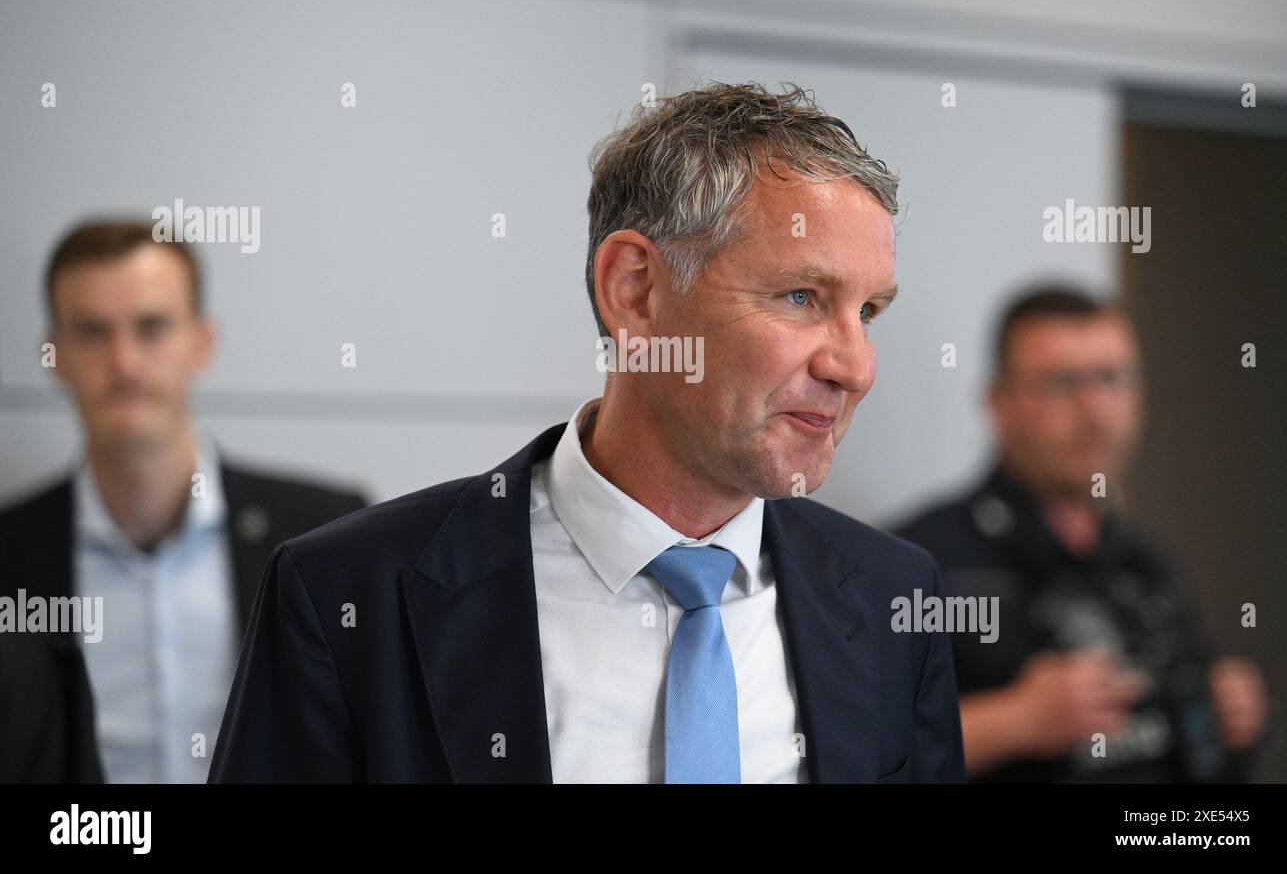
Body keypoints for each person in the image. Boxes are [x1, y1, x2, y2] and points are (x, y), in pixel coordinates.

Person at [209, 82, 965, 783]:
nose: (855, 366)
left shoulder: (891, 594)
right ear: (634, 291)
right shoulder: (348, 594)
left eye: (868, 313)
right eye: (802, 296)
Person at [0, 221, 367, 783]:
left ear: (202, 342)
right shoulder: (10, 551)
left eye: (151, 327)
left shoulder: (329, 532)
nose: (124, 362)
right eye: (93, 332)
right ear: (53, 355)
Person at [894, 286, 1268, 782]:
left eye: (1112, 379)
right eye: (1062, 383)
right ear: (999, 404)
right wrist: (1014, 721)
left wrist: (1228, 719)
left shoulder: (1149, 565)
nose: (1094, 409)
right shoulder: (919, 561)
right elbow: (859, 752)